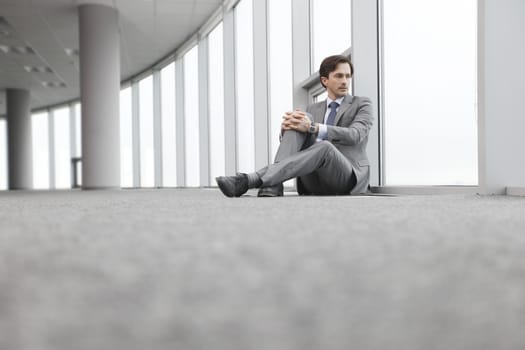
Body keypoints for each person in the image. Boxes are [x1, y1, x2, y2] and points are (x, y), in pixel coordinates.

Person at [216, 54, 374, 197]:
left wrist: (313, 128)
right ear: (325, 80)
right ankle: (274, 183)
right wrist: (287, 130)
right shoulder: (313, 108)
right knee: (299, 117)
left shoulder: (362, 104)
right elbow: (300, 144)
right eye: (339, 76)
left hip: (346, 177)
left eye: (347, 76)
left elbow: (356, 135)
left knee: (324, 145)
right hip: (314, 179)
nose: (345, 81)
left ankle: (251, 180)